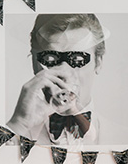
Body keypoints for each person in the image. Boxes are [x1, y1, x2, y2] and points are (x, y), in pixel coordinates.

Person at [6, 13, 107, 146]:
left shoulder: (127, 137)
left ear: (98, 63)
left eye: (77, 59)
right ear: (34, 63)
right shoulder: (13, 135)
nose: (63, 72)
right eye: (50, 59)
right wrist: (19, 125)